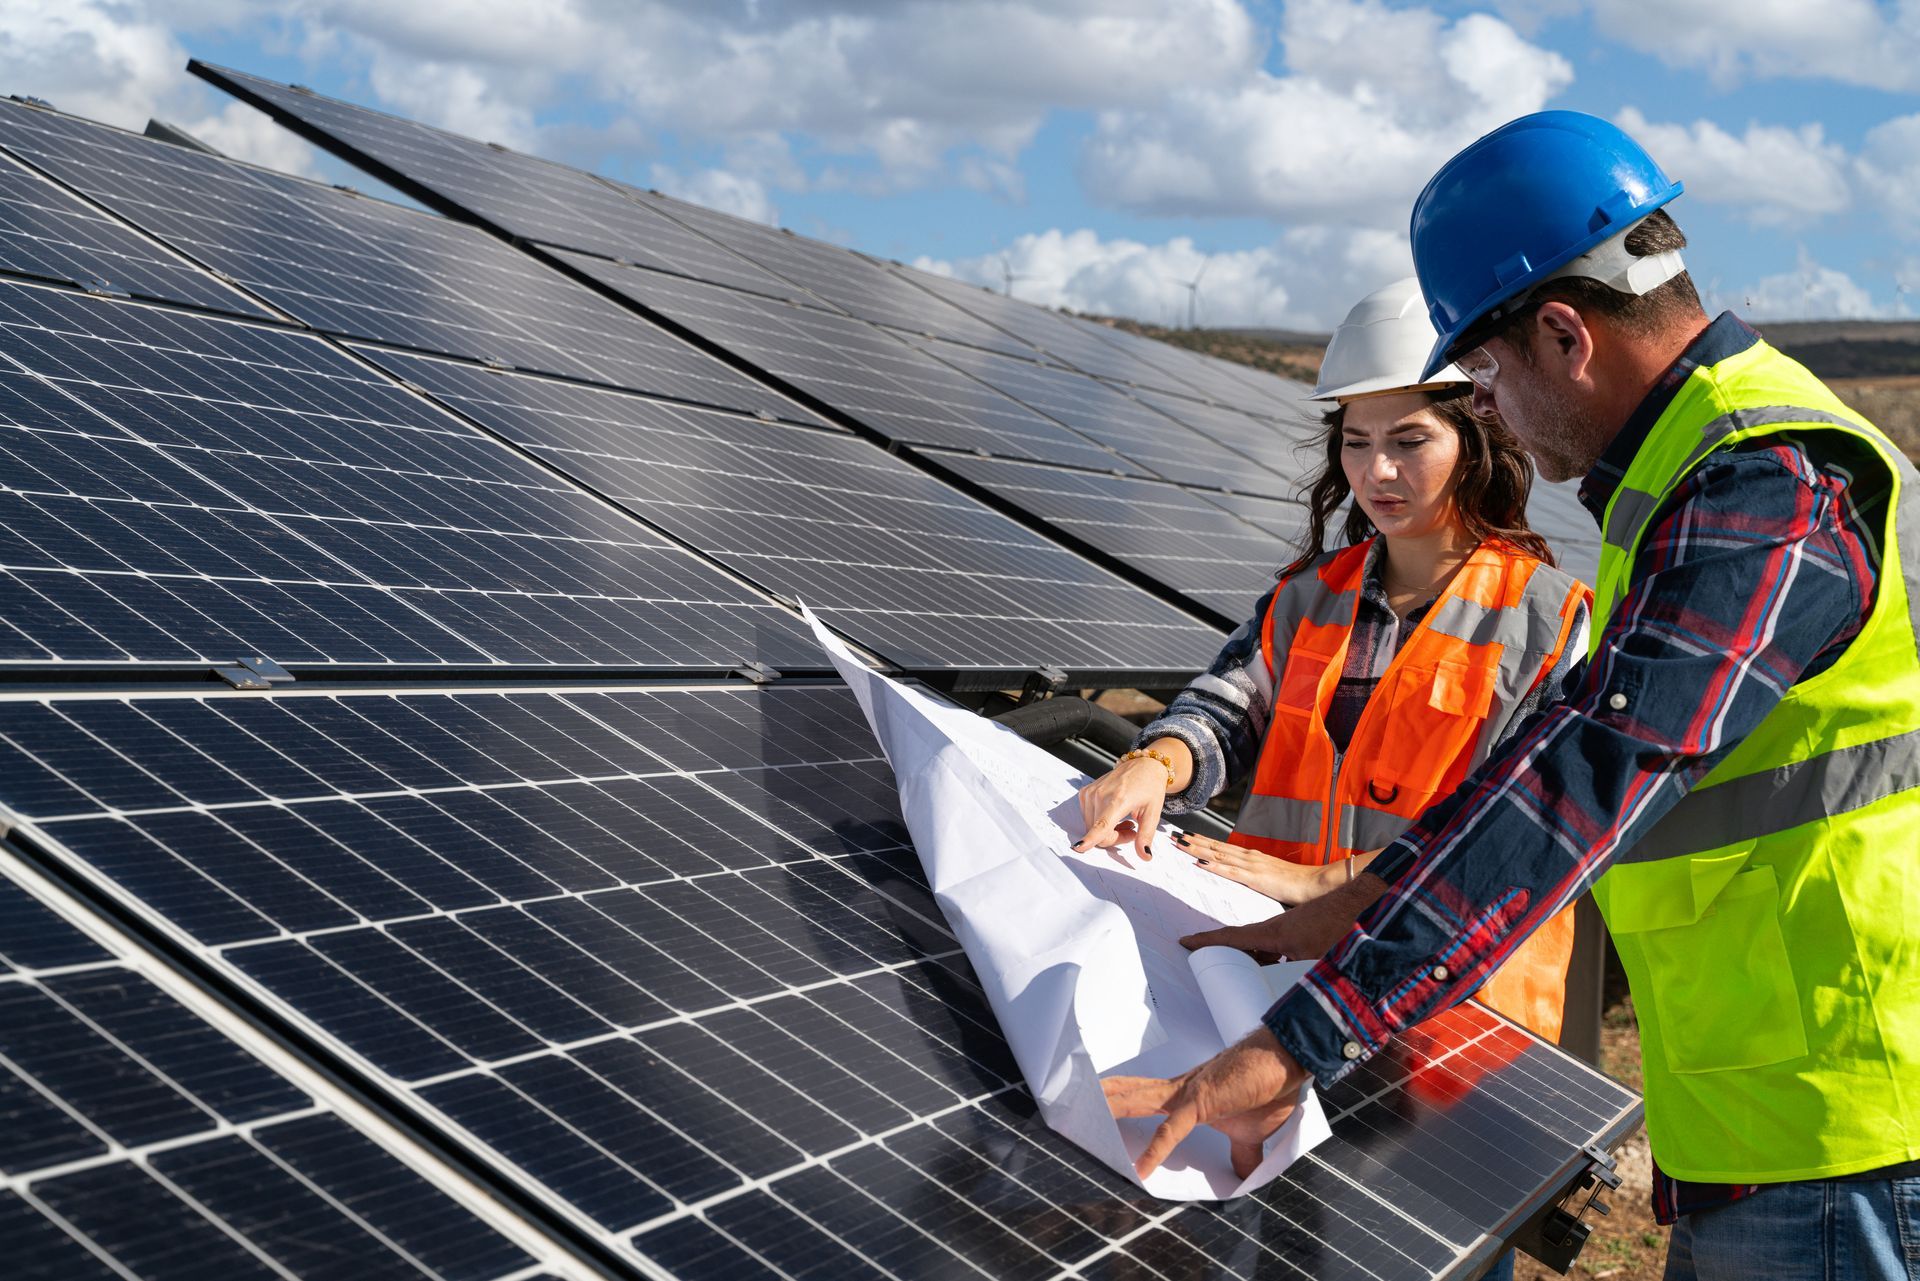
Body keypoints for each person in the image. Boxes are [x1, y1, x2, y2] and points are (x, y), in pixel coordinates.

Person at [1101, 111, 1920, 1281]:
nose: (1493, 409)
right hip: (1768, 1116)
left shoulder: (1765, 484)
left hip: (1847, 1126)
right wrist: (1364, 896)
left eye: (1481, 373)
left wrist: (1305, 1041)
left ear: (1562, 333)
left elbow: (1595, 773)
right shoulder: (1693, 480)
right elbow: (1550, 754)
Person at [1074, 275, 1591, 1048]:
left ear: (1477, 439)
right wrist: (1158, 760)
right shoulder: (1306, 600)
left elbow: (1530, 828)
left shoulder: (1549, 621)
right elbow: (1227, 707)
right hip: (1267, 975)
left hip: (1449, 1006)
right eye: (1357, 441)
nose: (1377, 471)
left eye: (1409, 440)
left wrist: (1331, 884)